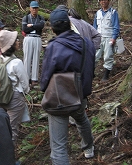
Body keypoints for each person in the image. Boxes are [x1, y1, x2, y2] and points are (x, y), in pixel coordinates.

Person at [40, 9, 95, 164]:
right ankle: (89, 148)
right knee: (82, 119)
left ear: (52, 28)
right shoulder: (87, 43)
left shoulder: (53, 47)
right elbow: (91, 68)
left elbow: (46, 74)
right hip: (81, 94)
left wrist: (44, 90)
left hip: (59, 98)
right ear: (70, 24)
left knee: (58, 148)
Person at [0, 30, 30, 145]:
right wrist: (26, 92)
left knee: (3, 127)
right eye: (16, 40)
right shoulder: (17, 63)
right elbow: (25, 84)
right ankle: (9, 158)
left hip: (0, 97)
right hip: (15, 98)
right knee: (12, 129)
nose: (18, 42)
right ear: (11, 45)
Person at [93, 0, 120, 81]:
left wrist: (114, 38)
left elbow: (116, 26)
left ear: (108, 1)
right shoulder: (98, 13)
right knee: (95, 55)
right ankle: (91, 72)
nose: (103, 2)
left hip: (109, 37)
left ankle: (106, 75)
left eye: (105, 0)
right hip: (99, 37)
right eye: (101, 0)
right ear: (99, 2)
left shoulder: (113, 12)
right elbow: (94, 27)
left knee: (108, 56)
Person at [22, 1, 45, 85]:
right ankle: (26, 77)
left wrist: (31, 26)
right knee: (27, 57)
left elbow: (41, 26)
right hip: (28, 38)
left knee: (36, 57)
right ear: (30, 8)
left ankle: (34, 78)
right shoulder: (26, 18)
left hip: (37, 38)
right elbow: (25, 29)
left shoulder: (41, 17)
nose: (34, 10)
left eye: (36, 8)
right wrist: (35, 26)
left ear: (38, 8)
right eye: (33, 8)